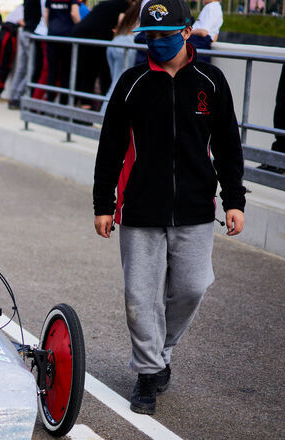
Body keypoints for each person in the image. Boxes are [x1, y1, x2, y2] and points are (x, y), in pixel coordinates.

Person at [93, 0, 245, 415]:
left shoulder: (210, 82)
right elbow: (110, 149)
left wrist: (234, 200)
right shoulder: (131, 82)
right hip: (140, 207)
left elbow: (229, 145)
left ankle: (161, 351)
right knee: (140, 297)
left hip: (196, 208)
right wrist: (103, 204)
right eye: (149, 38)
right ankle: (147, 373)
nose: (154, 44)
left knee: (192, 287)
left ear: (185, 32)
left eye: (163, 36)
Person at [69, 0, 128, 107]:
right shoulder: (124, 5)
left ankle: (80, 110)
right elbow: (121, 22)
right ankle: (91, 110)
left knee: (85, 75)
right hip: (95, 40)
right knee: (98, 75)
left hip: (83, 37)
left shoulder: (106, 4)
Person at [7, 0, 44, 109]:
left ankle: (13, 96)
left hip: (24, 32)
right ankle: (17, 97)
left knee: (22, 68)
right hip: (30, 35)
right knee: (31, 68)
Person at [44, 0, 80, 103]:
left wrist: (51, 30)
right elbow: (74, 14)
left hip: (52, 36)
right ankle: (63, 104)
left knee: (52, 72)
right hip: (67, 37)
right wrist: (80, 28)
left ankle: (49, 102)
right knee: (66, 73)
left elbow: (46, 15)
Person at [106, 0, 141, 93]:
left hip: (119, 40)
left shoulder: (135, 8)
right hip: (128, 43)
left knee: (116, 81)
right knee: (122, 84)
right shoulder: (146, 6)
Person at [0, 4, 22, 99]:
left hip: (3, 35)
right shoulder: (22, 9)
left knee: (2, 66)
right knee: (4, 66)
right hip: (7, 37)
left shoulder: (18, 8)